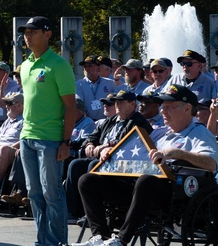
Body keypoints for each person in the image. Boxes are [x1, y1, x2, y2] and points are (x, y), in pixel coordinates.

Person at [73, 85, 218, 246]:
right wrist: (107, 151)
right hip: (140, 188)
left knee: (146, 181)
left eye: (169, 107)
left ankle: (121, 242)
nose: (163, 111)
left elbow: (211, 164)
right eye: (162, 106)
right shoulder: (158, 132)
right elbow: (130, 148)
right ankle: (100, 237)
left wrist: (176, 153)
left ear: (187, 108)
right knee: (88, 180)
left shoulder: (199, 132)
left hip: (174, 192)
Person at [17, 16, 77, 246]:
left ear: (48, 34)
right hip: (27, 137)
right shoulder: (26, 64)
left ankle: (58, 245)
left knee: (52, 193)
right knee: (34, 192)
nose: (27, 36)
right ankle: (41, 243)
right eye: (25, 32)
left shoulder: (59, 65)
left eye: (33, 32)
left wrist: (66, 142)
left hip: (51, 139)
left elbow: (71, 107)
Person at [64, 89, 153, 222]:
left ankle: (93, 214)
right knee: (75, 165)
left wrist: (106, 147)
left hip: (121, 164)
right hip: (100, 157)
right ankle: (72, 210)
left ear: (133, 105)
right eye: (116, 102)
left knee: (94, 165)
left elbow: (130, 143)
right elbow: (92, 136)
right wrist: (89, 144)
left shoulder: (139, 121)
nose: (117, 105)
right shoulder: (110, 121)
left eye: (122, 102)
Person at [75, 55, 116, 121]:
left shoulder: (110, 83)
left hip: (106, 121)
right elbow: (80, 105)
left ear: (98, 68)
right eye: (85, 66)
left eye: (90, 66)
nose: (86, 69)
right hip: (88, 122)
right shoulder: (79, 84)